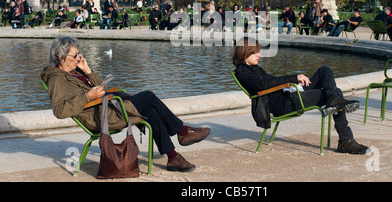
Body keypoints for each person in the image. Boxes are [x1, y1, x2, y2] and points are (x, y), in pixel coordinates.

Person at [41, 36, 210, 172]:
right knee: (149, 97)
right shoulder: (56, 79)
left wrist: (88, 71)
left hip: (107, 109)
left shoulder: (75, 71)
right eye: (75, 55)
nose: (79, 58)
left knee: (151, 110)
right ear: (61, 57)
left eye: (79, 53)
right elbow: (59, 111)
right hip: (100, 117)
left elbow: (103, 88)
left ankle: (173, 158)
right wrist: (87, 97)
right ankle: (182, 131)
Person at [232, 38, 369, 154]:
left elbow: (270, 81)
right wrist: (293, 77)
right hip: (284, 104)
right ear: (245, 52)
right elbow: (262, 85)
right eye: (256, 52)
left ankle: (335, 104)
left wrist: (291, 85)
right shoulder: (242, 72)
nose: (259, 55)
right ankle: (346, 140)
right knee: (334, 92)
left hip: (289, 94)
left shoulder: (255, 68)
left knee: (325, 70)